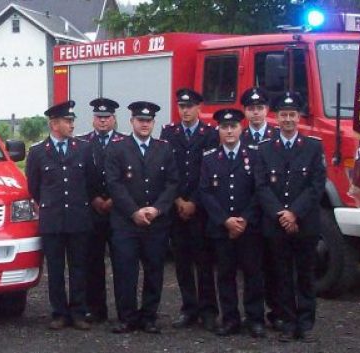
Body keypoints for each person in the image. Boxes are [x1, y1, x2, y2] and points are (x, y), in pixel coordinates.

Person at [253, 92, 324, 343]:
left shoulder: (314, 147)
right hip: (276, 223)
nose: (288, 120)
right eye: (283, 115)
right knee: (280, 275)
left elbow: (316, 186)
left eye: (292, 115)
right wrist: (280, 214)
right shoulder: (264, 149)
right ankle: (286, 321)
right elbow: (261, 186)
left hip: (304, 223)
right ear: (277, 117)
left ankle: (305, 323)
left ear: (299, 117)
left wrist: (294, 212)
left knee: (305, 274)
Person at [104, 101, 179, 334]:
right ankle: (127, 317)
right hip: (126, 222)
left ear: (154, 123)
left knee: (155, 270)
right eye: (140, 120)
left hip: (156, 222)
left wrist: (157, 209)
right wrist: (134, 212)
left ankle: (149, 317)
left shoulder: (164, 148)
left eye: (148, 121)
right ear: (131, 122)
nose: (144, 124)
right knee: (125, 271)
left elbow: (172, 183)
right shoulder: (117, 148)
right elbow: (113, 184)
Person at [26, 100, 98, 330]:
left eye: (72, 120)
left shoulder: (84, 148)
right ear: (54, 124)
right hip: (53, 220)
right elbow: (34, 187)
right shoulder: (38, 152)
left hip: (78, 218)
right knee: (55, 270)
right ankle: (59, 313)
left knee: (78, 268)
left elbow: (91, 181)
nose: (72, 125)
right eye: (67, 121)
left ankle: (78, 311)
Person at [197, 108, 266, 338]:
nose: (229, 131)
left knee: (253, 274)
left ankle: (255, 319)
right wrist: (226, 220)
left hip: (249, 228)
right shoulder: (209, 159)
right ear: (218, 129)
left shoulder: (255, 156)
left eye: (233, 126)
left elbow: (259, 191)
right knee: (225, 275)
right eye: (224, 127)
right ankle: (230, 319)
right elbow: (205, 192)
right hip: (221, 229)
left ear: (241, 128)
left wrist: (244, 219)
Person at [161, 88, 219, 332]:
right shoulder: (169, 133)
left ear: (199, 108)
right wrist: (177, 200)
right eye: (181, 106)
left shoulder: (210, 134)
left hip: (200, 208)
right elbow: (165, 170)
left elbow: (210, 171)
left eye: (190, 106)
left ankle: (208, 310)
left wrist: (193, 201)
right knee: (182, 262)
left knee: (204, 262)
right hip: (176, 208)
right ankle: (189, 308)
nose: (185, 111)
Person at [77, 97, 127, 323]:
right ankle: (95, 309)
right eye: (99, 117)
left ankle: (123, 311)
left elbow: (130, 179)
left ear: (114, 119)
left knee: (122, 263)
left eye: (107, 117)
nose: (103, 121)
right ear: (93, 119)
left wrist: (115, 200)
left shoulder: (125, 143)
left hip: (119, 212)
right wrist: (94, 198)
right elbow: (80, 178)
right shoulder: (83, 143)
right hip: (93, 211)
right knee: (93, 263)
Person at [238, 87, 283, 329]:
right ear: (245, 112)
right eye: (251, 109)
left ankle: (278, 312)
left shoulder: (278, 137)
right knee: (252, 269)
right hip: (249, 215)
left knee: (276, 267)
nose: (255, 113)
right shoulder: (238, 137)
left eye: (259, 108)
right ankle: (254, 317)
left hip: (272, 214)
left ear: (267, 110)